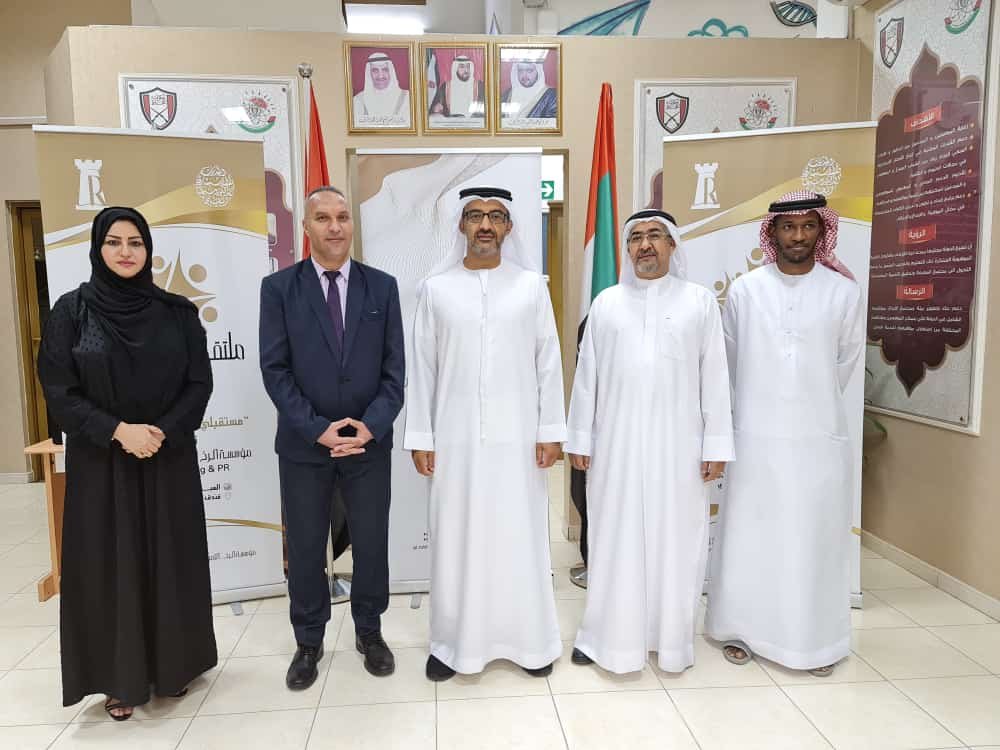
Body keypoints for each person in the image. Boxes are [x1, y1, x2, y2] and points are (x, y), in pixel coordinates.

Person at [37, 206, 216, 720]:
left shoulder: (178, 313)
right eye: (114, 242)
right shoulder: (71, 312)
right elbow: (58, 389)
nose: (125, 251)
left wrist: (160, 433)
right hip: (102, 464)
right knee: (110, 567)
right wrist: (119, 431)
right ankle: (119, 679)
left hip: (167, 457)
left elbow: (198, 384)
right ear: (98, 248)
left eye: (135, 242)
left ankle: (174, 667)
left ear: (148, 250)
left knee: (170, 562)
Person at [405, 186, 566, 682]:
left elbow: (548, 361)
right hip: (454, 442)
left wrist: (551, 430)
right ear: (461, 225)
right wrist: (421, 436)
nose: (485, 226)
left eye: (495, 217)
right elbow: (422, 369)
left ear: (509, 227)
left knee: (519, 537)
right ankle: (451, 645)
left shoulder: (530, 287)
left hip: (519, 442)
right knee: (456, 538)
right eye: (475, 216)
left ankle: (530, 643)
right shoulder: (437, 290)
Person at [565, 209, 733, 674]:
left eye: (655, 235)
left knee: (675, 543)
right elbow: (587, 378)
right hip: (615, 447)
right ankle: (604, 636)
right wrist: (579, 438)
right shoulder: (606, 304)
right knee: (612, 539)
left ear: (672, 245)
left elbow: (715, 377)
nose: (644, 245)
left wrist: (716, 446)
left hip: (679, 449)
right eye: (636, 237)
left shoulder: (699, 302)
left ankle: (669, 641)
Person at [706, 191, 864, 677]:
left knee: (812, 539)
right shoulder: (746, 291)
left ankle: (815, 644)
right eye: (788, 227)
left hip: (817, 438)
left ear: (822, 231)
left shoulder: (843, 293)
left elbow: (844, 363)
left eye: (808, 226)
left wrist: (805, 404)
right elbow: (731, 362)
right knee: (751, 535)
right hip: (756, 436)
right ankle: (741, 630)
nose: (798, 236)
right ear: (772, 233)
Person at [259, 186, 404, 689]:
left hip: (368, 445)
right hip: (304, 447)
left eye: (342, 216)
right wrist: (317, 429)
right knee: (305, 546)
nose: (335, 226)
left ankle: (370, 631)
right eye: (323, 218)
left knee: (371, 542)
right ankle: (308, 641)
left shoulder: (382, 288)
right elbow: (275, 371)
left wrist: (371, 425)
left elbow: (394, 372)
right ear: (306, 227)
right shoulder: (279, 289)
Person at [353, 52, 411, 121]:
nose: (380, 76)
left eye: (385, 70)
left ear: (390, 72)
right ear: (369, 74)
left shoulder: (407, 98)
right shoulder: (358, 100)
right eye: (375, 70)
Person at [430, 55, 486, 119]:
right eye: (462, 67)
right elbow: (436, 108)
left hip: (475, 123)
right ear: (455, 69)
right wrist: (436, 109)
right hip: (451, 124)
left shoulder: (480, 86)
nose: (466, 70)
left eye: (468, 66)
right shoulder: (445, 87)